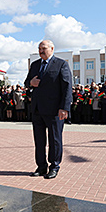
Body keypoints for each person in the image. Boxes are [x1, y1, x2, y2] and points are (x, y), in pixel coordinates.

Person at [24, 40, 72, 179]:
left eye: (43, 48)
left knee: (55, 139)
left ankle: (54, 166)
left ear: (52, 48)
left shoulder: (61, 64)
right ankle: (41, 166)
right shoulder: (35, 65)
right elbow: (27, 82)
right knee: (39, 140)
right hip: (38, 109)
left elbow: (67, 86)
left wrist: (64, 108)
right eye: (39, 48)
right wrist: (30, 83)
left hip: (54, 110)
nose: (41, 51)